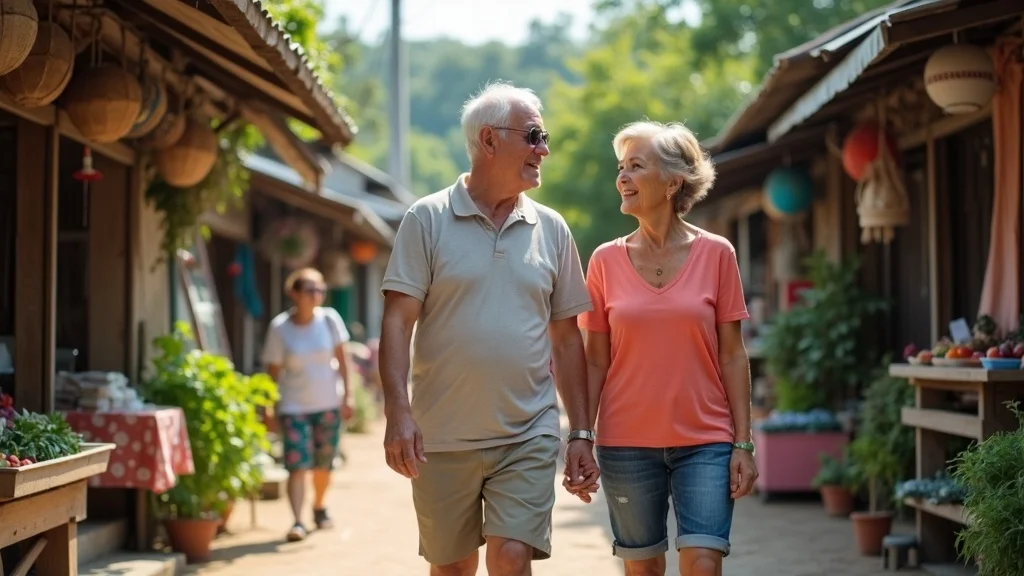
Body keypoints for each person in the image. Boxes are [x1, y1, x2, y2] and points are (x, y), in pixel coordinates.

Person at [379, 81, 599, 576]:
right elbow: (397, 321)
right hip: (441, 436)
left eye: (544, 138)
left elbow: (568, 340)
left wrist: (581, 432)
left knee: (511, 558)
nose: (544, 150)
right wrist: (397, 411)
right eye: (534, 136)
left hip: (528, 432)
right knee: (454, 568)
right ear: (489, 140)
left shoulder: (553, 229)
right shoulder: (426, 219)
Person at [572, 121, 757, 576]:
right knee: (644, 569)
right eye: (621, 167)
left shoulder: (717, 254)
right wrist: (581, 436)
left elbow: (733, 354)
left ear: (673, 182)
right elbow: (594, 359)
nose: (623, 177)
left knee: (704, 563)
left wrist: (743, 443)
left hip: (706, 441)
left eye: (636, 166)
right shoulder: (604, 261)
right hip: (626, 444)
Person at [261, 267, 355, 542]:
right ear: (295, 293)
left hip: (328, 403)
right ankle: (297, 521)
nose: (317, 295)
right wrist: (267, 407)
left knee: (324, 465)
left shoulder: (330, 320)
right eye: (311, 290)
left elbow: (343, 360)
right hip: (294, 407)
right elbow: (272, 373)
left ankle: (319, 506)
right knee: (297, 465)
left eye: (320, 290)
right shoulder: (280, 328)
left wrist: (348, 397)